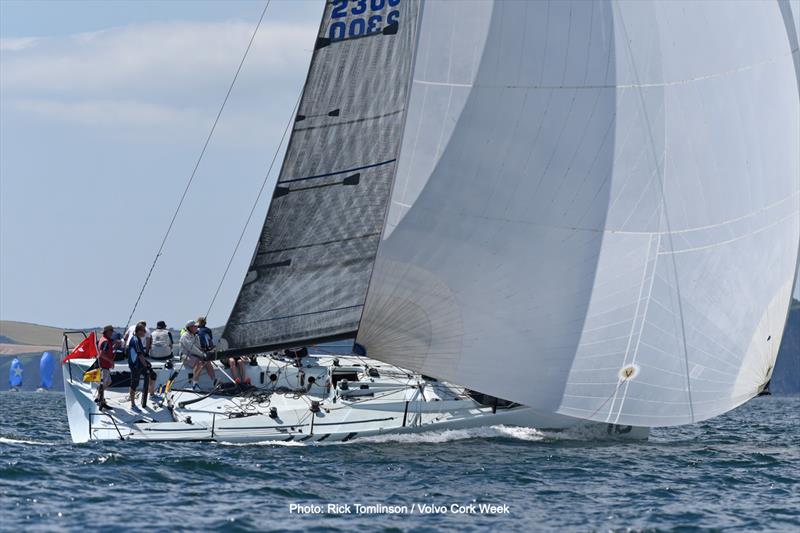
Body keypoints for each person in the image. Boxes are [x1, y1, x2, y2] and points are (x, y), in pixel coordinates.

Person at [181, 320, 216, 391]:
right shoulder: (185, 336)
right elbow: (192, 348)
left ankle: (215, 382)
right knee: (199, 363)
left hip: (195, 355)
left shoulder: (196, 336)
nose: (197, 328)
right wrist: (202, 354)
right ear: (190, 327)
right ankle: (195, 385)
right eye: (195, 326)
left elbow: (199, 347)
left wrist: (207, 352)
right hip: (185, 356)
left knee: (207, 361)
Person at [127, 323, 153, 411]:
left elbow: (141, 356)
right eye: (143, 331)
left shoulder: (138, 339)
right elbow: (140, 355)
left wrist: (146, 364)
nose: (145, 333)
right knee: (134, 384)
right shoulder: (135, 340)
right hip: (135, 365)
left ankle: (146, 399)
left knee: (151, 375)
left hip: (140, 364)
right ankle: (133, 405)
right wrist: (146, 365)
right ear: (138, 331)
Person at [95, 325, 116, 410]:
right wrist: (110, 361)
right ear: (107, 332)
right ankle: (101, 401)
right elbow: (102, 353)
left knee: (108, 382)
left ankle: (99, 397)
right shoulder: (106, 341)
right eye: (111, 331)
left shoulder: (102, 340)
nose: (112, 333)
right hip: (103, 366)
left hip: (104, 366)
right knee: (104, 383)